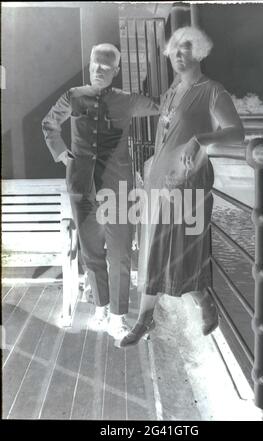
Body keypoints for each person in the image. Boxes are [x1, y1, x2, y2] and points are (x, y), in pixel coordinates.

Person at [116, 27, 244, 347]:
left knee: (180, 255)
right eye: (173, 50)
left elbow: (236, 133)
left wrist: (200, 140)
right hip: (159, 183)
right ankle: (146, 320)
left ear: (199, 52)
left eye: (185, 49)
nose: (178, 55)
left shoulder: (213, 91)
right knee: (152, 252)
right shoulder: (173, 91)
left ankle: (204, 300)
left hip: (189, 184)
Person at [42, 43, 159, 339]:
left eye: (105, 67)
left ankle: (118, 317)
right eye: (95, 64)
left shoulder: (128, 100)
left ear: (116, 71)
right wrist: (62, 154)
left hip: (118, 188)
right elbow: (49, 124)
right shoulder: (74, 96)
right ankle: (100, 308)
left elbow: (161, 107)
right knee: (92, 251)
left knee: (119, 253)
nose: (98, 70)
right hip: (82, 185)